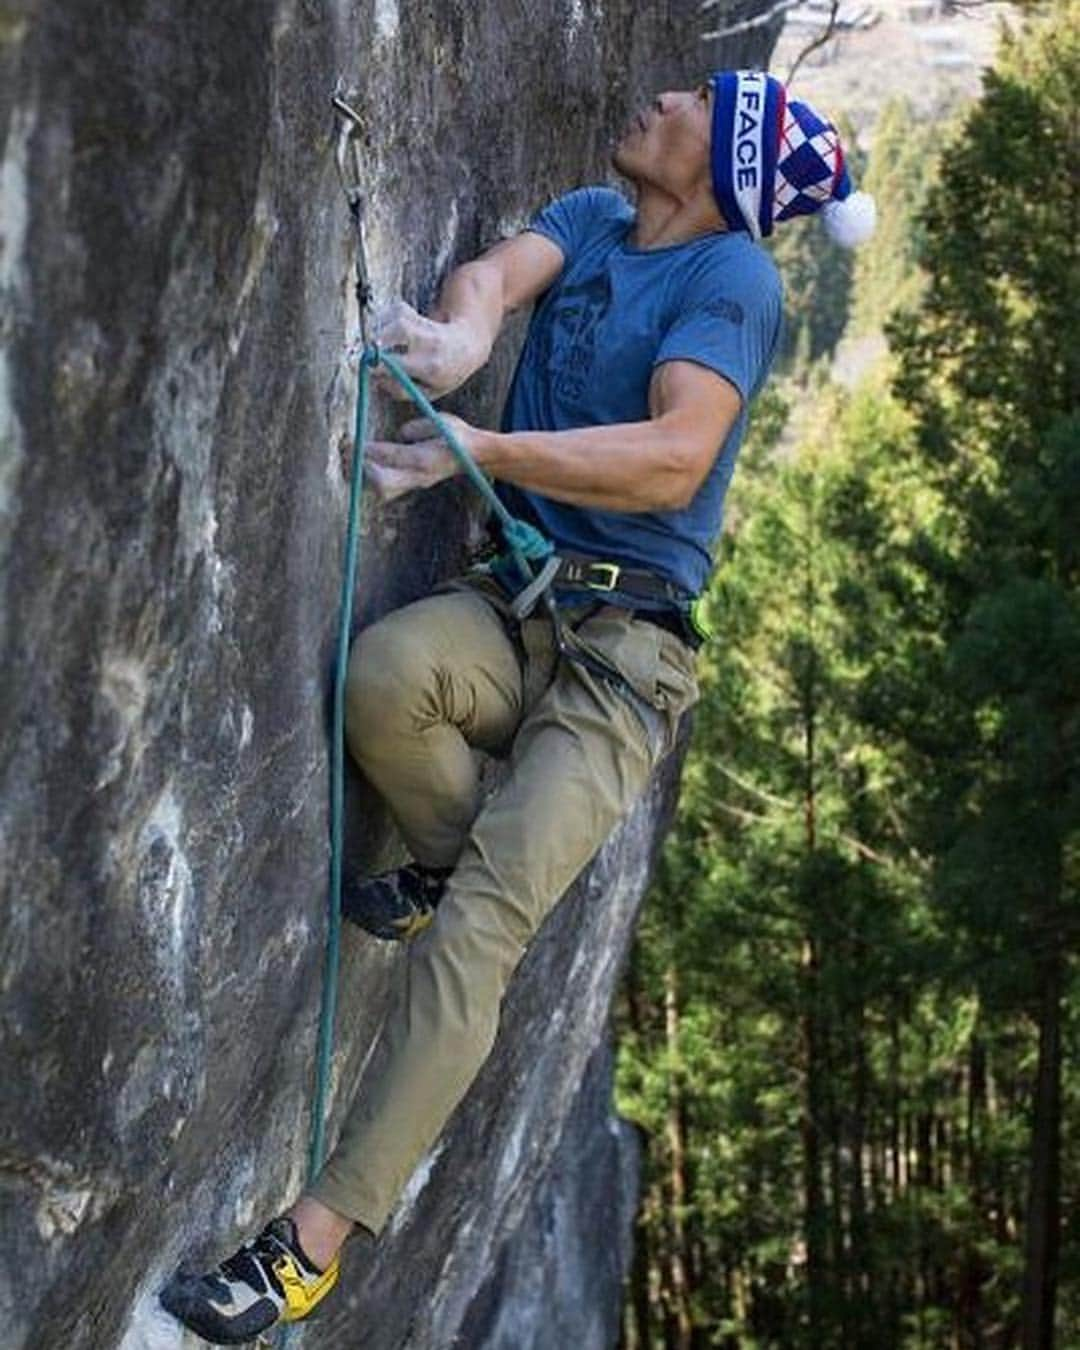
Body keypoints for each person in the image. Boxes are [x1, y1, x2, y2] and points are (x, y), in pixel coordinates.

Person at [161, 68, 874, 1345]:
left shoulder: (734, 283)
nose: (663, 94)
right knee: (381, 678)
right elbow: (500, 269)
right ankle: (461, 860)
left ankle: (303, 1251)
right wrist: (468, 332)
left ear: (722, 171)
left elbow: (674, 459)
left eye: (697, 104)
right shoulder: (597, 214)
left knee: (479, 935)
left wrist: (481, 448)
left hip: (623, 662)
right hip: (517, 606)